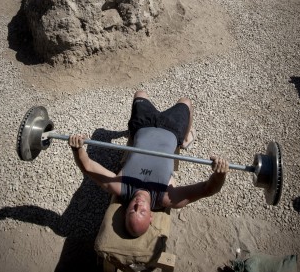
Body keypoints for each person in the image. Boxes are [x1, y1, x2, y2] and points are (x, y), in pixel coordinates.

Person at [68, 90, 229, 237]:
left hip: (143, 125)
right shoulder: (166, 197)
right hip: (172, 129)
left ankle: (132, 133)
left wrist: (77, 149)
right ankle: (185, 139)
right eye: (143, 212)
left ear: (125, 212)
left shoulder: (121, 187)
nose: (138, 205)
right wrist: (220, 174)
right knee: (186, 101)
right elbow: (208, 189)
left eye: (133, 210)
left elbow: (88, 167)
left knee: (140, 94)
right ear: (151, 216)